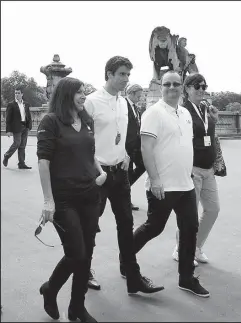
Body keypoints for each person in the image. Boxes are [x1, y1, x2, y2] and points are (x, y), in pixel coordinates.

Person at [84, 56, 164, 294]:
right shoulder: (91, 102)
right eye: (121, 74)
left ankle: (132, 276)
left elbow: (128, 134)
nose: (126, 79)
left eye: (128, 75)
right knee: (90, 226)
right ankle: (84, 270)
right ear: (108, 74)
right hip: (97, 176)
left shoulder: (123, 102)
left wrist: (127, 154)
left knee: (126, 225)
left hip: (120, 173)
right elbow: (82, 139)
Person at [128, 70, 210, 297]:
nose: (172, 88)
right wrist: (154, 180)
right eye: (167, 84)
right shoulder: (153, 113)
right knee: (154, 227)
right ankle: (126, 257)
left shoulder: (184, 113)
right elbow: (146, 148)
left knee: (190, 229)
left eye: (176, 84)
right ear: (161, 87)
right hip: (163, 185)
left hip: (185, 184)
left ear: (182, 87)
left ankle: (186, 278)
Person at [37, 77, 106, 322]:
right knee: (76, 253)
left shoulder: (86, 119)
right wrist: (48, 201)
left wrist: (100, 171)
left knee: (86, 255)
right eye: (79, 92)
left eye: (85, 92)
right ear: (66, 94)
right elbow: (43, 162)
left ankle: (77, 307)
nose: (83, 96)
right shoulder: (51, 122)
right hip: (64, 200)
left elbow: (89, 152)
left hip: (90, 195)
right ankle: (50, 289)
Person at [172, 73, 220, 265]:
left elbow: (208, 137)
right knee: (189, 214)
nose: (201, 90)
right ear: (187, 89)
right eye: (196, 86)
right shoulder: (183, 111)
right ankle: (182, 248)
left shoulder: (205, 109)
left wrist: (214, 121)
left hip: (208, 169)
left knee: (213, 209)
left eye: (204, 86)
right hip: (192, 168)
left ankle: (196, 246)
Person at [125, 83, 145, 211]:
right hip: (127, 146)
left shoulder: (135, 108)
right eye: (138, 95)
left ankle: (123, 189)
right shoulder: (123, 105)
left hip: (136, 145)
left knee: (143, 165)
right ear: (131, 93)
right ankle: (126, 199)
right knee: (128, 172)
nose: (140, 98)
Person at [3, 86, 33, 169]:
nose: (16, 94)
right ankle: (7, 155)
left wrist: (29, 126)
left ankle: (21, 163)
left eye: (18, 93)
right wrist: (8, 130)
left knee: (22, 145)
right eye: (15, 93)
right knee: (17, 143)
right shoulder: (11, 105)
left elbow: (28, 115)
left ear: (22, 94)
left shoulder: (26, 104)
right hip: (16, 127)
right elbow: (8, 118)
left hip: (25, 126)